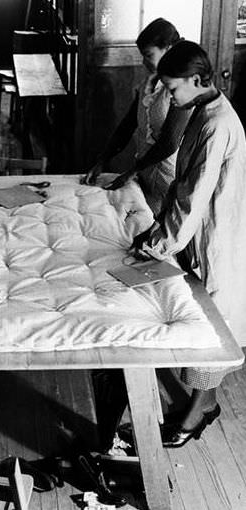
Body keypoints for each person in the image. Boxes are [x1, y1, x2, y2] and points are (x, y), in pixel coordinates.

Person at [131, 41, 246, 447]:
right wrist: (159, 232)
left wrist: (160, 242)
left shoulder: (217, 124)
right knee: (199, 314)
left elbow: (193, 198)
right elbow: (181, 186)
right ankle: (202, 404)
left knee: (209, 323)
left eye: (174, 88)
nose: (171, 96)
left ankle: (198, 413)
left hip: (215, 233)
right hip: (199, 229)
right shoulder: (202, 110)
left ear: (197, 81)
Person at [82, 18, 191, 216]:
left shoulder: (182, 88)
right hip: (146, 174)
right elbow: (128, 125)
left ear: (168, 49)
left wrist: (131, 171)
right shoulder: (149, 84)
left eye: (149, 55)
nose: (144, 62)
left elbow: (170, 143)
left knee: (163, 232)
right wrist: (103, 160)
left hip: (171, 179)